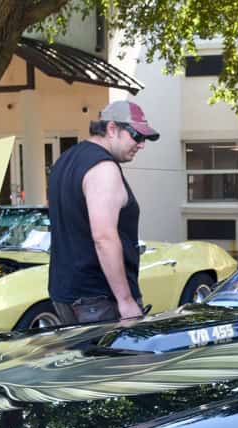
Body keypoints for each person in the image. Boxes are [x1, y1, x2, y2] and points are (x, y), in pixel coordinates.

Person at [48, 100, 159, 324]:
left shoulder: (65, 161)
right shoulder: (103, 169)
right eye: (136, 136)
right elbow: (104, 237)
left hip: (66, 294)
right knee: (122, 360)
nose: (141, 145)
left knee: (84, 360)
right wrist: (126, 300)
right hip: (99, 301)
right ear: (111, 129)